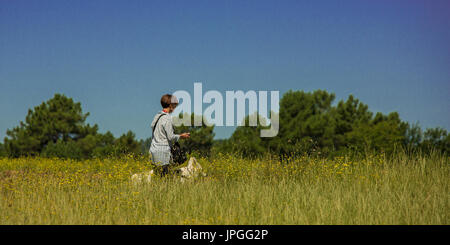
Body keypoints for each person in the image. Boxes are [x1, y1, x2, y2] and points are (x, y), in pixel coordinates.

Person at [150, 94, 190, 176]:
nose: (175, 108)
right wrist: (181, 136)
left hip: (153, 152)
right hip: (163, 153)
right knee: (165, 179)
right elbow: (171, 137)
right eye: (174, 106)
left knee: (159, 178)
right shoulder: (167, 118)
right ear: (170, 105)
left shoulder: (157, 116)